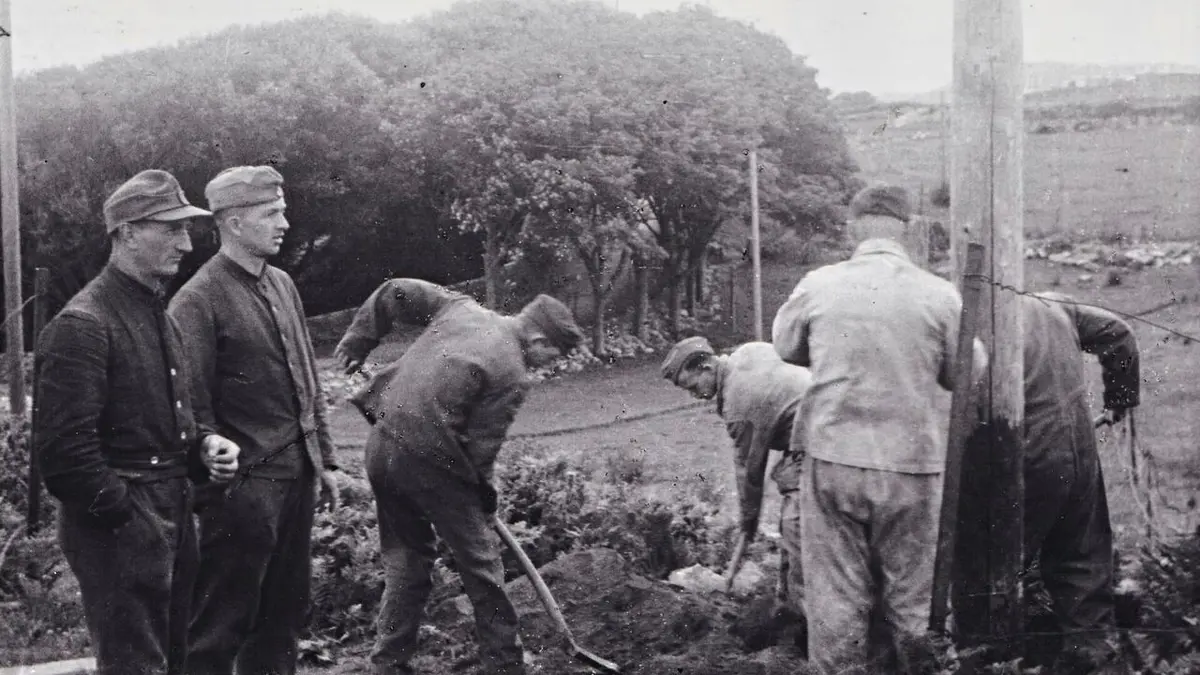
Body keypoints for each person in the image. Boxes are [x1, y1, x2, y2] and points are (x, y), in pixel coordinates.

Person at [35, 169, 241, 675]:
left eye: (185, 229)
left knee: (173, 661)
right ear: (127, 233)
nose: (185, 244)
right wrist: (127, 518)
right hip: (121, 524)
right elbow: (64, 456)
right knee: (135, 666)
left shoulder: (158, 315)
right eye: (170, 229)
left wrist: (203, 448)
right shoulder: (84, 324)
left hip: (171, 510)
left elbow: (164, 419)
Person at [771, 183, 983, 673]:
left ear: (853, 228)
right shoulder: (938, 294)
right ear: (907, 230)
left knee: (836, 598)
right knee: (915, 600)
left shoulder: (819, 284)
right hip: (912, 463)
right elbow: (967, 371)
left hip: (834, 458)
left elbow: (784, 348)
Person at [333, 279, 585, 675]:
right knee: (482, 564)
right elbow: (480, 453)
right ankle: (504, 664)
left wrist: (357, 341)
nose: (549, 366)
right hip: (432, 465)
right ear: (538, 339)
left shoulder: (462, 308)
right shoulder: (513, 373)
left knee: (407, 556)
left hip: (381, 448)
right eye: (553, 357)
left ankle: (388, 662)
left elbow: (395, 290)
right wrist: (485, 502)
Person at [168, 166, 340, 675]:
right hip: (241, 492)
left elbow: (307, 381)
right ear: (234, 223)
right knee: (221, 624)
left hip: (296, 481)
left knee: (283, 616)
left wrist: (325, 461)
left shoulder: (282, 284)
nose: (284, 223)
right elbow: (188, 405)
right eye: (271, 214)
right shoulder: (197, 300)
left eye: (281, 211)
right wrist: (209, 460)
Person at [1016, 291, 1138, 673]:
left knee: (993, 564)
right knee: (1081, 559)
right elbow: (1119, 333)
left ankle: (992, 658)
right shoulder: (1051, 303)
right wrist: (1119, 398)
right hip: (1076, 447)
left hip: (1025, 450)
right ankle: (1094, 656)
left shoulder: (966, 312)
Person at [660, 337, 811, 613]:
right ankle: (788, 601)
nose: (695, 396)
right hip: (830, 425)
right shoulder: (748, 351)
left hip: (820, 446)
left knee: (797, 532)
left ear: (706, 367)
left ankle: (799, 617)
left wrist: (748, 523)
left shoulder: (738, 406)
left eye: (693, 387)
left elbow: (749, 473)